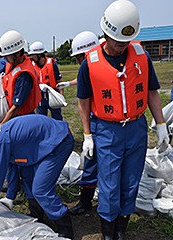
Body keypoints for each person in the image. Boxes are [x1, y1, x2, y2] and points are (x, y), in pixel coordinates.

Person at [77, 1, 169, 239]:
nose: (122, 47)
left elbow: (151, 92)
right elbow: (84, 101)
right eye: (118, 42)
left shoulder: (142, 56)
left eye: (126, 42)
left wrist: (160, 125)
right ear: (106, 34)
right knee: (109, 186)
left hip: (136, 128)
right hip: (106, 130)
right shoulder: (90, 63)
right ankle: (108, 233)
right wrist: (87, 134)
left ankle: (121, 230)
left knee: (131, 182)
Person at [0, 115, 75, 239]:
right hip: (41, 142)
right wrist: (10, 196)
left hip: (59, 141)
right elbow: (12, 168)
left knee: (41, 189)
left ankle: (64, 224)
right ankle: (37, 215)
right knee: (27, 177)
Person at [58, 31, 101, 216]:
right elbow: (84, 78)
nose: (78, 62)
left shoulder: (95, 65)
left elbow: (83, 101)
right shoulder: (95, 64)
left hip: (99, 122)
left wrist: (87, 134)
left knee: (91, 162)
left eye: (78, 58)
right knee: (93, 161)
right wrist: (69, 83)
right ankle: (89, 201)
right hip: (99, 121)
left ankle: (86, 203)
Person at [0, 30, 41, 124]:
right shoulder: (12, 64)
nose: (4, 59)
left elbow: (17, 106)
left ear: (17, 54)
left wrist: (1, 126)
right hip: (12, 114)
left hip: (23, 118)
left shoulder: (24, 76)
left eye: (7, 56)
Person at [28, 41, 64, 120]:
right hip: (40, 97)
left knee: (57, 118)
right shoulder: (32, 66)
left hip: (52, 94)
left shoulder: (52, 64)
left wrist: (61, 96)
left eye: (32, 55)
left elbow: (59, 81)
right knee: (41, 119)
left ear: (39, 54)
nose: (31, 58)